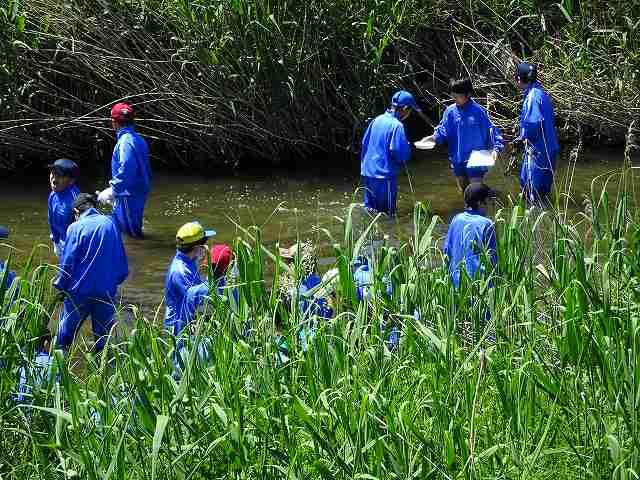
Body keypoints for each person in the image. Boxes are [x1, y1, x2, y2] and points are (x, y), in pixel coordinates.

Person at [53, 193, 129, 351]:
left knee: (64, 338)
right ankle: (103, 373)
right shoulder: (111, 223)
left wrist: (60, 286)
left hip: (79, 293)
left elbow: (67, 264)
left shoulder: (75, 227)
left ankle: (58, 369)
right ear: (94, 207)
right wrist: (113, 283)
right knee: (103, 343)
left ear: (76, 212)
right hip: (106, 293)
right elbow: (121, 264)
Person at [422, 78, 504, 192]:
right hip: (458, 159)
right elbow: (443, 130)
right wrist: (433, 138)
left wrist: (496, 148)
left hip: (477, 158)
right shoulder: (450, 112)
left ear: (468, 94)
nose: (454, 98)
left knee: (475, 194)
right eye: (453, 95)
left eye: (457, 96)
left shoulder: (478, 111)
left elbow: (491, 131)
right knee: (464, 192)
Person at [360, 90, 421, 216]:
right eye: (410, 110)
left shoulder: (377, 120)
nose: (409, 114)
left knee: (370, 211)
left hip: (367, 172)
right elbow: (400, 153)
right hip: (384, 177)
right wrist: (410, 149)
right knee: (387, 215)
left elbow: (364, 143)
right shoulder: (397, 125)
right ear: (404, 108)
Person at [97, 102, 152, 238]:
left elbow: (127, 169)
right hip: (137, 192)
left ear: (114, 123)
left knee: (133, 235)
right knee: (128, 229)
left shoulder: (124, 142)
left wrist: (114, 190)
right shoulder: (138, 139)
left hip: (128, 194)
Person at [513, 62, 560, 204]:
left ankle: (534, 224)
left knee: (531, 192)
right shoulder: (540, 93)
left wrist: (522, 138)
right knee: (544, 193)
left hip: (538, 151)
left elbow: (534, 123)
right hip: (550, 148)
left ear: (519, 79)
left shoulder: (532, 97)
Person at [164, 222, 216, 334]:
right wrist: (216, 280)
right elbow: (195, 298)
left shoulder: (189, 259)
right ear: (198, 247)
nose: (207, 247)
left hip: (186, 320)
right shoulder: (181, 272)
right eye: (205, 244)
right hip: (179, 327)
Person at [443, 183, 498, 289]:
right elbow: (493, 260)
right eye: (488, 201)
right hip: (478, 288)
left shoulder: (456, 219)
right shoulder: (487, 224)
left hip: (456, 284)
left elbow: (447, 250)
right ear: (480, 202)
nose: (490, 204)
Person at [177, 243, 237, 337]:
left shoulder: (193, 293)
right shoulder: (235, 292)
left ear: (207, 264)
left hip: (199, 345)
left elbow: (183, 327)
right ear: (229, 267)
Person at [47, 159, 80, 257]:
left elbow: (82, 227)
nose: (54, 178)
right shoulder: (52, 196)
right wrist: (55, 241)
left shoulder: (75, 199)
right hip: (61, 242)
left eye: (59, 175)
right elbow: (51, 220)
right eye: (52, 173)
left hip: (74, 245)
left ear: (71, 181)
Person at [15, 332, 54, 403]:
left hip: (24, 406)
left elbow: (21, 386)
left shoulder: (27, 361)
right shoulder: (52, 362)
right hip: (42, 406)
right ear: (46, 343)